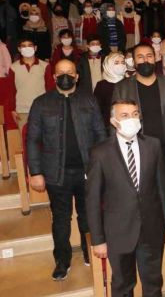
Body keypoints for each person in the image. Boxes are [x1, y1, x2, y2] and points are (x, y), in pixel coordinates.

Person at [26, 59, 106, 279]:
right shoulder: (41, 103)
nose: (65, 76)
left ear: (77, 76)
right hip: (55, 173)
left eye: (69, 72)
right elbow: (32, 139)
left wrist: (102, 167)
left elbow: (101, 134)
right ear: (53, 77)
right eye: (60, 72)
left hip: (86, 171)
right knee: (61, 220)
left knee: (88, 216)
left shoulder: (89, 100)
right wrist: (36, 172)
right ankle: (62, 260)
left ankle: (90, 253)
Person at [86, 100, 165, 297]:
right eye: (124, 115)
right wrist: (98, 239)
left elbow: (162, 188)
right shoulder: (100, 153)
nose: (131, 119)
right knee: (122, 285)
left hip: (151, 229)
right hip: (118, 232)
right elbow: (92, 200)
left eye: (135, 114)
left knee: (153, 283)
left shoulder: (153, 145)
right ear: (113, 121)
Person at [112, 44, 165, 174]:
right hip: (136, 150)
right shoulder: (122, 88)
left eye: (149, 56)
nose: (145, 60)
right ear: (133, 61)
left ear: (155, 58)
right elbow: (115, 121)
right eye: (140, 57)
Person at [8, 37, 54, 130]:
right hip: (22, 110)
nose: (27, 48)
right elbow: (11, 90)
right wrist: (12, 109)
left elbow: (50, 88)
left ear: (35, 48)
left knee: (43, 137)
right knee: (24, 137)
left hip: (41, 109)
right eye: (23, 46)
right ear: (19, 49)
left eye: (30, 45)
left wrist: (50, 107)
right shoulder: (13, 67)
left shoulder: (45, 66)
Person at [93, 52, 127, 127]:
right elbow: (97, 109)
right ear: (109, 65)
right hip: (107, 125)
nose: (120, 65)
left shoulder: (129, 82)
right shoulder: (102, 85)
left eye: (123, 62)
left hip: (127, 123)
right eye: (116, 63)